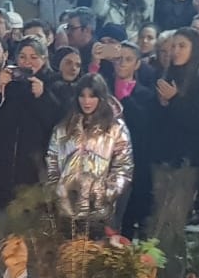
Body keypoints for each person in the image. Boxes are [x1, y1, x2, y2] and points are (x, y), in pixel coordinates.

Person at [135, 29, 199, 278]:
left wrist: (175, 101)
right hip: (161, 160)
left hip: (186, 164)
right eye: (173, 46)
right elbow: (155, 123)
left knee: (173, 224)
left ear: (194, 50)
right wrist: (161, 105)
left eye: (182, 45)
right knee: (157, 220)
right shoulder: (164, 76)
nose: (176, 50)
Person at [0, 42, 64, 247]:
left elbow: (57, 128)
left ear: (44, 59)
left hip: (33, 185)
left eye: (34, 57)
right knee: (2, 244)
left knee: (31, 247)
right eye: (22, 57)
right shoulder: (1, 85)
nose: (27, 62)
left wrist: (42, 96)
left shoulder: (55, 86)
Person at [43, 73, 134, 237]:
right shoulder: (63, 127)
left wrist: (106, 193)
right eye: (82, 96)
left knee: (95, 259)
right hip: (66, 210)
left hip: (99, 213)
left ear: (101, 97)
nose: (86, 101)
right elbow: (52, 161)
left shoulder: (115, 129)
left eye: (92, 96)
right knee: (66, 259)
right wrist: (57, 190)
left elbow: (123, 167)